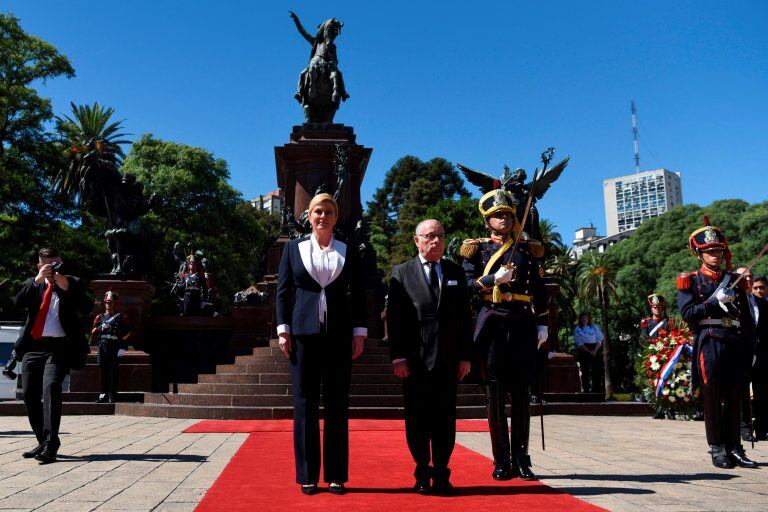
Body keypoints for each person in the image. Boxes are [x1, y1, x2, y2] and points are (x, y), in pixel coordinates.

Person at [276, 193, 367, 495]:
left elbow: (358, 292)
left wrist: (360, 331)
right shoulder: (293, 248)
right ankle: (307, 475)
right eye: (318, 211)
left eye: (329, 212)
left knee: (338, 405)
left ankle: (337, 475)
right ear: (309, 215)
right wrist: (283, 329)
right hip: (302, 336)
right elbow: (283, 291)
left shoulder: (347, 250)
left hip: (339, 336)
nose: (323, 216)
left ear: (336, 217)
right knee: (305, 405)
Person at [461, 189, 549, 481]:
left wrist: (543, 323)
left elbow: (538, 289)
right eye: (498, 215)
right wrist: (491, 280)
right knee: (495, 396)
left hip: (522, 323)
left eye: (508, 215)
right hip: (493, 325)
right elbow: (465, 285)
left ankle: (522, 458)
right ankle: (501, 459)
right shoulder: (477, 250)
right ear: (487, 221)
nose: (504, 219)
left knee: (522, 393)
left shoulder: (527, 250)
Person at [387, 219, 472, 495]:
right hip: (415, 360)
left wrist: (465, 357)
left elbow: (464, 319)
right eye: (430, 236)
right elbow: (396, 319)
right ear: (417, 240)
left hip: (448, 360)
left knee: (445, 420)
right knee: (417, 419)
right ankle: (422, 471)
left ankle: (442, 473)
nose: (436, 241)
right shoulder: (401, 273)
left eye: (440, 236)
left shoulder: (455, 272)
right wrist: (397, 356)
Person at [677, 217, 758, 468]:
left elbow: (746, 318)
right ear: (699, 254)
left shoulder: (735, 280)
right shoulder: (690, 281)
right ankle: (717, 447)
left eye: (718, 250)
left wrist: (750, 346)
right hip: (710, 340)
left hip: (734, 340)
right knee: (712, 394)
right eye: (709, 251)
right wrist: (713, 302)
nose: (715, 255)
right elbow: (687, 313)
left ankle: (735, 447)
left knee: (736, 394)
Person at [13, 248, 89, 464]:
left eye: (56, 264)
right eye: (48, 265)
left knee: (51, 388)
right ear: (40, 266)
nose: (54, 269)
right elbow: (17, 302)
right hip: (33, 347)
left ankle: (51, 444)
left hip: (59, 348)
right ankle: (42, 440)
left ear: (61, 262)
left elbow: (86, 307)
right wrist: (37, 280)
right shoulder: (34, 284)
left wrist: (67, 287)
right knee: (29, 395)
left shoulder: (71, 282)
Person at [640, 293, 677, 419]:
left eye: (659, 307)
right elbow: (644, 339)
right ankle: (659, 410)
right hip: (653, 358)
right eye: (655, 307)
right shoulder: (646, 323)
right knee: (655, 384)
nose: (657, 309)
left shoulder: (670, 322)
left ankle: (671, 409)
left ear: (663, 308)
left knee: (670, 383)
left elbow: (674, 337)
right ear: (651, 308)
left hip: (667, 357)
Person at [91, 291, 131, 404]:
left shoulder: (120, 317)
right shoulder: (100, 317)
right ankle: (103, 394)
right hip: (103, 346)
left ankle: (112, 394)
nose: (108, 304)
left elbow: (127, 333)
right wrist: (101, 328)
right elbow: (93, 331)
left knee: (113, 371)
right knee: (103, 370)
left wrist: (123, 347)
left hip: (114, 346)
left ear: (114, 303)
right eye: (107, 302)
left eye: (111, 302)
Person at [751, 275, 768, 441]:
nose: (759, 291)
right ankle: (759, 429)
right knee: (758, 394)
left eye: (762, 287)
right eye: (755, 288)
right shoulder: (749, 304)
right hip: (755, 355)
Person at [574, 312, 604, 394]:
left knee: (597, 370)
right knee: (585, 370)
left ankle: (596, 389)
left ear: (588, 319)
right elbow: (579, 342)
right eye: (582, 318)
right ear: (580, 320)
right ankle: (586, 389)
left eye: (586, 318)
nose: (584, 320)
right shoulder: (577, 329)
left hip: (595, 348)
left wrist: (595, 350)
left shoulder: (594, 327)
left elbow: (599, 339)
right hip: (584, 349)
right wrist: (588, 351)